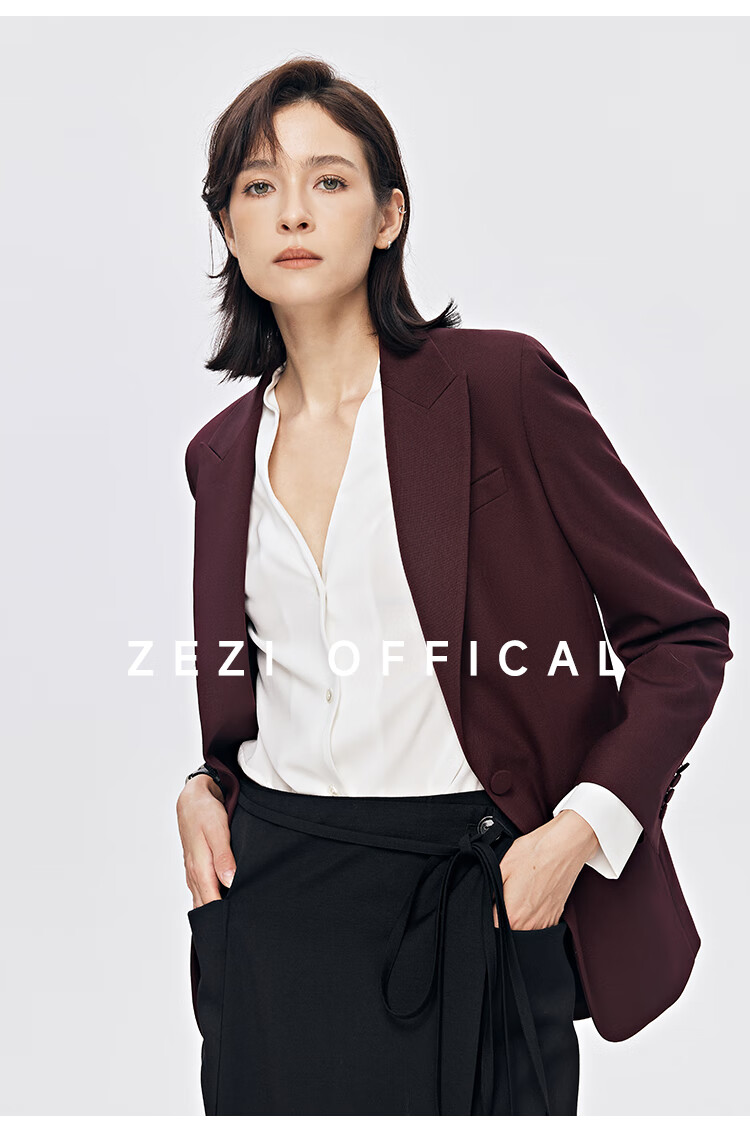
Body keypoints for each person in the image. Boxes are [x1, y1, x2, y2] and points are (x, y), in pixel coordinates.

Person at [176, 57, 732, 1117]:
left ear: (389, 215)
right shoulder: (217, 456)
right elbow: (267, 690)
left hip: (472, 900)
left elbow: (682, 638)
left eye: (329, 180)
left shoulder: (499, 386)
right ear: (229, 230)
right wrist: (203, 787)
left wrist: (578, 833)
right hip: (275, 915)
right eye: (258, 185)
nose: (293, 209)